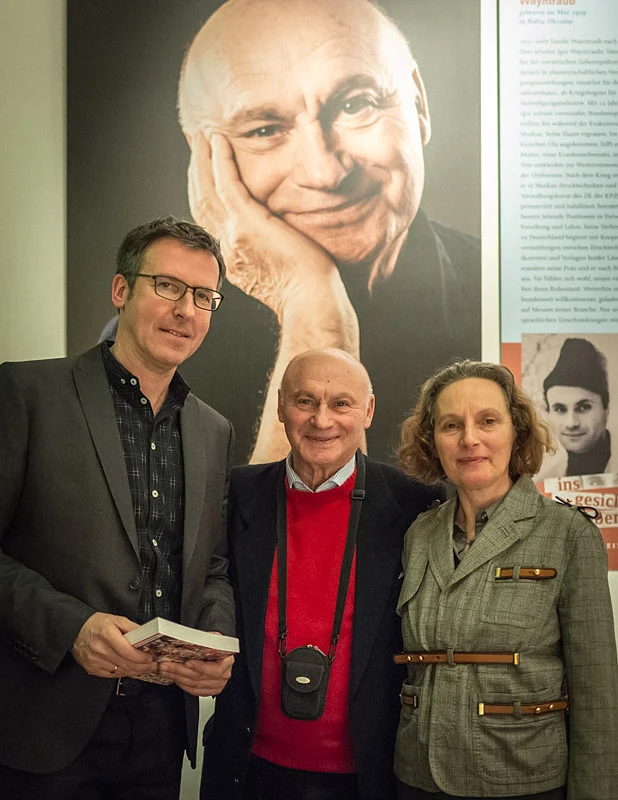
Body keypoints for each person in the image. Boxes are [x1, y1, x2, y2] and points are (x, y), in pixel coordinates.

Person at [175, 0, 481, 464]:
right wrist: (314, 309)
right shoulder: (167, 335)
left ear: (419, 104)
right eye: (264, 130)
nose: (324, 172)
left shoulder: (518, 300)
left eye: (356, 104)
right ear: (205, 165)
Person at [0, 217, 236, 799]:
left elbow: (210, 569)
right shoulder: (26, 395)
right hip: (43, 725)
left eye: (204, 297)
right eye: (168, 286)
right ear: (120, 290)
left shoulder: (214, 430)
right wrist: (71, 628)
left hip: (158, 732)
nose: (186, 310)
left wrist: (215, 639)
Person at [200, 348, 444, 799]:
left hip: (368, 775)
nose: (321, 419)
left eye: (341, 404)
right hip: (247, 769)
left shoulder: (416, 505)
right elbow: (206, 586)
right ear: (280, 406)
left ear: (368, 410)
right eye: (305, 401)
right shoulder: (236, 494)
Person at [395, 359, 618, 799]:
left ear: (516, 432)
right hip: (418, 778)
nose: (470, 439)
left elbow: (596, 694)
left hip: (523, 779)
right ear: (432, 440)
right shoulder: (418, 534)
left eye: (488, 421)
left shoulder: (569, 535)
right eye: (451, 425)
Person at [538, 338, 613, 479]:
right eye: (560, 409)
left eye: (584, 407)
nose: (571, 423)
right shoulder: (543, 480)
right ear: (548, 413)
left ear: (606, 408)